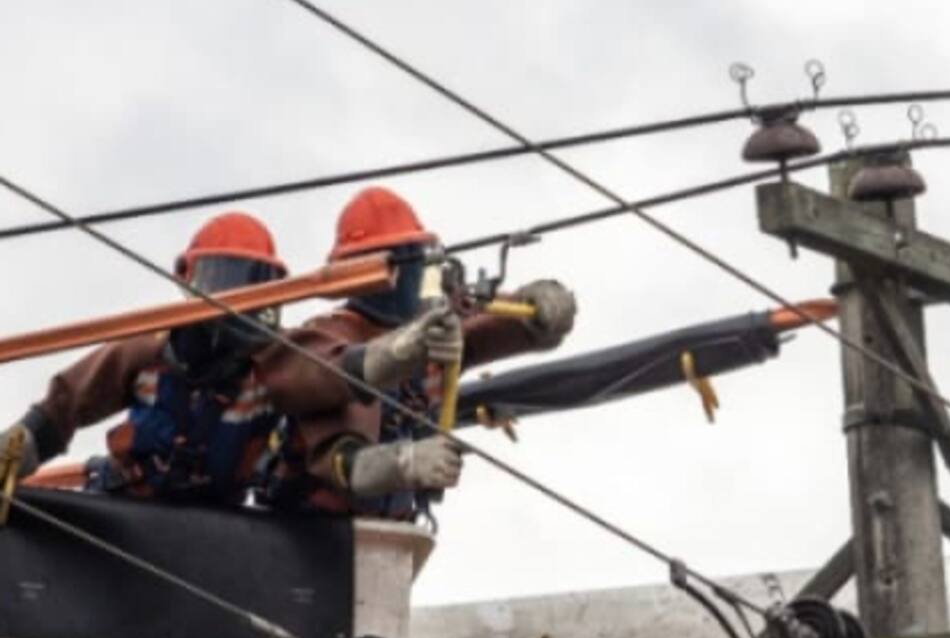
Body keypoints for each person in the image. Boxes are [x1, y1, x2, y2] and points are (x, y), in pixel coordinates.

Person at [254, 185, 576, 517]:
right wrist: (403, 463)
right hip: (306, 527)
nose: (412, 273)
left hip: (391, 529)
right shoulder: (330, 334)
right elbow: (338, 442)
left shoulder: (435, 330)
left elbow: (492, 326)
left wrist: (537, 308)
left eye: (416, 256)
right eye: (400, 259)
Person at [5, 212, 289, 504]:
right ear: (189, 278)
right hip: (132, 509)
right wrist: (13, 451)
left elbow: (315, 377)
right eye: (225, 279)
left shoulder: (275, 367)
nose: (236, 297)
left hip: (219, 521)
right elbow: (64, 405)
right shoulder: (149, 350)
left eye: (252, 283)